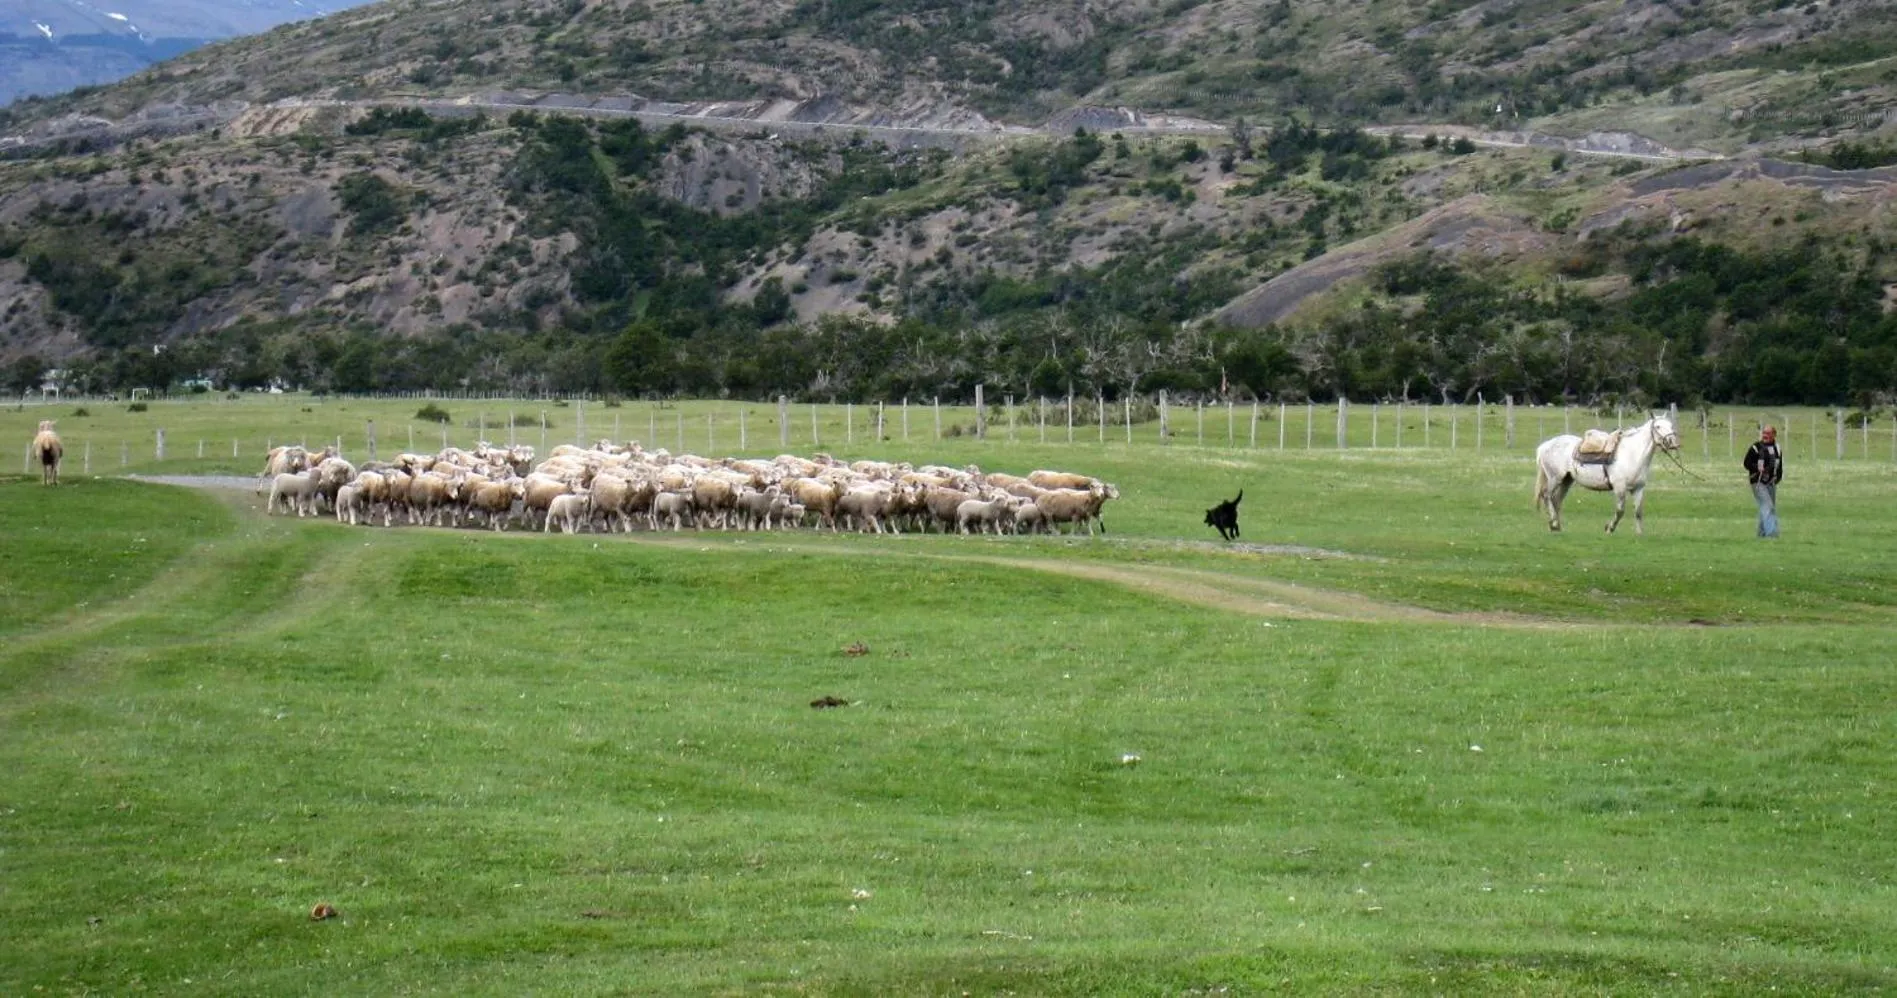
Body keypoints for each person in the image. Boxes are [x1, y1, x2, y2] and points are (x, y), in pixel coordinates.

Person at [1743, 425, 1784, 538]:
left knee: (1766, 508)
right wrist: (1757, 468)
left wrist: (1777, 478)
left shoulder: (1777, 448)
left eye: (1768, 433)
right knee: (1768, 506)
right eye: (1764, 433)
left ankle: (1761, 535)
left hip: (1771, 483)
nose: (1765, 435)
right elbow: (1746, 463)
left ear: (1774, 435)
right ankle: (1772, 535)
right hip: (1758, 482)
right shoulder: (1756, 447)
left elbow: (1779, 466)